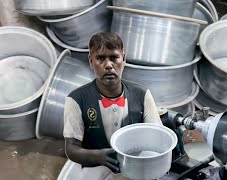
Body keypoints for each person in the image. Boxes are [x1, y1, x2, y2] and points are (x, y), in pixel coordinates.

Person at [63, 32, 162, 180]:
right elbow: (71, 149)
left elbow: (157, 138)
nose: (108, 65)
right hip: (94, 171)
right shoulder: (76, 99)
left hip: (135, 170)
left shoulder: (142, 94)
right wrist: (98, 156)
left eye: (114, 58)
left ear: (124, 59)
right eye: (100, 58)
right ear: (91, 61)